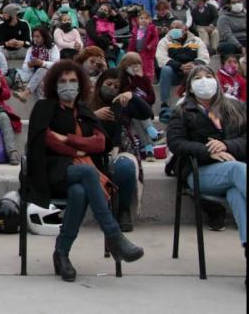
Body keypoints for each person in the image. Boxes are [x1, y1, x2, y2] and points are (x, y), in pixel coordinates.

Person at [26, 60, 144, 283]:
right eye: (63, 81)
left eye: (72, 81)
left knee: (80, 192)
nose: (68, 85)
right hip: (51, 173)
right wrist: (80, 147)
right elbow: (48, 141)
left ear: (81, 84)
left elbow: (100, 143)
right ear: (54, 84)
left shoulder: (84, 110)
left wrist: (70, 140)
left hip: (79, 173)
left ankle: (61, 253)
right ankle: (114, 236)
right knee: (89, 174)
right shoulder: (44, 108)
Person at [167, 65, 245, 277]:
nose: (204, 81)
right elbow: (176, 143)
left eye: (208, 76)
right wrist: (207, 151)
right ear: (190, 86)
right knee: (238, 170)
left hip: (235, 172)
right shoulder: (182, 111)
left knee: (237, 194)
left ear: (216, 81)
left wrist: (227, 145)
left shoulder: (236, 108)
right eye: (198, 78)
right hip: (200, 171)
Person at [88, 69, 144, 231]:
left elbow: (146, 112)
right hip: (92, 152)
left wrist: (132, 96)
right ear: (100, 84)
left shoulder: (122, 103)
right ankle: (106, 210)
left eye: (116, 86)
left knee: (125, 167)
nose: (112, 88)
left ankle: (124, 210)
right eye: (108, 84)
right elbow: (74, 124)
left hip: (119, 150)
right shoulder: (86, 101)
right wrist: (94, 115)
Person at [155, 20, 210, 123]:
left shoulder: (196, 40)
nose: (174, 30)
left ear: (185, 29)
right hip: (174, 73)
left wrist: (193, 65)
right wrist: (180, 66)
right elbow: (161, 59)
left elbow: (204, 57)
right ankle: (165, 105)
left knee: (198, 70)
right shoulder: (164, 41)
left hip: (192, 71)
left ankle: (195, 103)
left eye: (177, 27)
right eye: (172, 28)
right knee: (166, 69)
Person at [13, 27, 60, 102]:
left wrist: (42, 63)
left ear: (44, 37)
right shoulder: (31, 48)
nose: (35, 39)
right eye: (33, 36)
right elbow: (24, 66)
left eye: (38, 36)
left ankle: (26, 93)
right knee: (40, 82)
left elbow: (57, 64)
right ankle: (40, 106)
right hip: (35, 74)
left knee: (42, 70)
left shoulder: (52, 47)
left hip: (51, 73)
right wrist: (29, 65)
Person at [127, 10, 159, 80]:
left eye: (146, 18)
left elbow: (155, 38)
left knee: (148, 68)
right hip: (137, 52)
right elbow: (132, 41)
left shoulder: (152, 28)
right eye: (141, 18)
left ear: (150, 20)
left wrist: (150, 45)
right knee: (136, 67)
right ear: (138, 20)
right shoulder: (135, 29)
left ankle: (148, 82)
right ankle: (138, 81)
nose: (144, 20)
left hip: (147, 52)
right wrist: (130, 51)